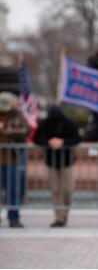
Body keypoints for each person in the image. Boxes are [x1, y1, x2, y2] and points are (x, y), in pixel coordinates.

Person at [33, 107, 81, 228]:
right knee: (56, 190)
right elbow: (36, 138)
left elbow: (76, 139)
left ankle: (64, 213)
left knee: (68, 190)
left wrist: (62, 141)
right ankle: (59, 217)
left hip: (66, 162)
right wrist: (49, 142)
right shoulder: (45, 123)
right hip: (51, 162)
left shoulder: (68, 122)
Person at [0, 92, 30, 228]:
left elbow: (26, 131)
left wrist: (11, 131)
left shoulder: (17, 115)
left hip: (12, 158)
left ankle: (14, 218)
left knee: (13, 189)